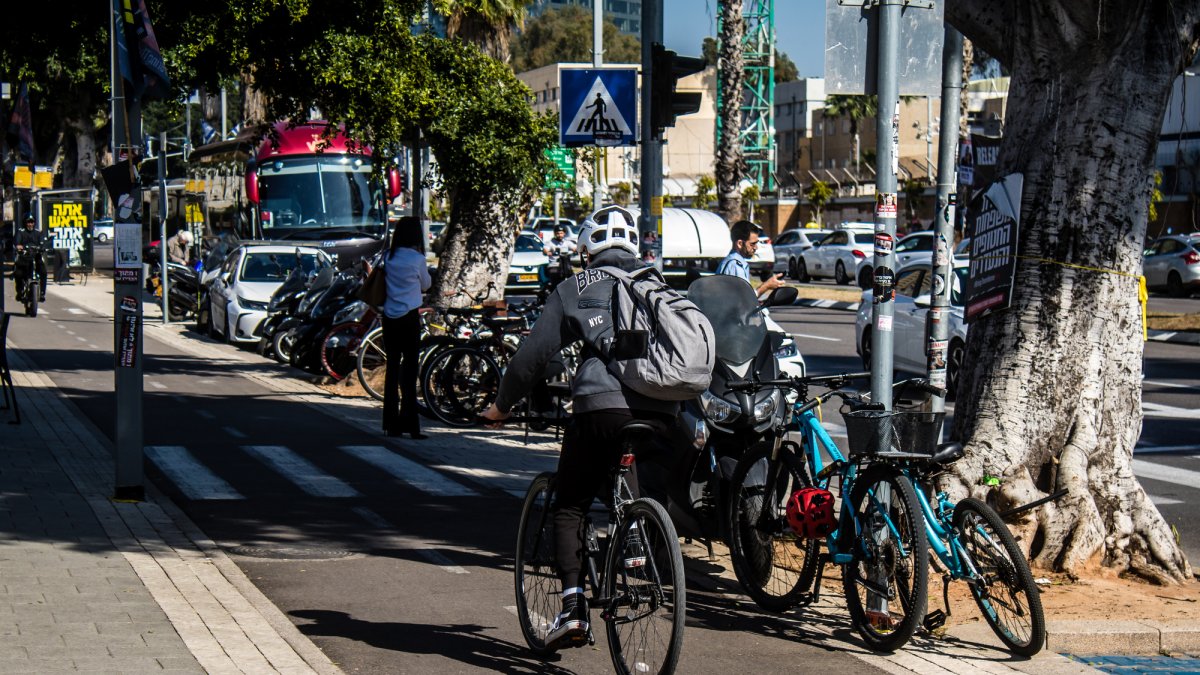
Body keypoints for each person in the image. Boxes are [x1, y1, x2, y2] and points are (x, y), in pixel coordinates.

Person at [481, 206, 677, 650]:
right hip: (663, 409)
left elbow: (532, 357)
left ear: (587, 247)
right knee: (633, 477)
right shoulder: (657, 284)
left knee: (569, 504)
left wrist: (501, 406)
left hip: (600, 407)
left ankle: (572, 608)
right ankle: (637, 541)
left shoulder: (576, 286)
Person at [381, 216, 432, 440]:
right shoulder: (417, 259)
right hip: (410, 316)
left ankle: (390, 424)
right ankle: (411, 425)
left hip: (389, 316)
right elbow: (426, 285)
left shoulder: (388, 257)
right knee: (410, 371)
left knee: (392, 368)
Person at [716, 219, 784, 299]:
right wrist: (766, 286)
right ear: (740, 244)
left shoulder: (733, 262)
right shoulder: (735, 265)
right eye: (752, 244)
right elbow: (746, 299)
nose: (756, 247)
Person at [14, 214, 47, 302]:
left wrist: (43, 247)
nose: (30, 224)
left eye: (32, 222)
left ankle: (42, 293)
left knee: (43, 272)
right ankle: (20, 291)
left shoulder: (38, 232)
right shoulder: (21, 232)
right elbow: (17, 242)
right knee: (18, 273)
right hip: (24, 257)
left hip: (36, 257)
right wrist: (19, 247)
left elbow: (43, 243)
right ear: (25, 223)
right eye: (28, 222)